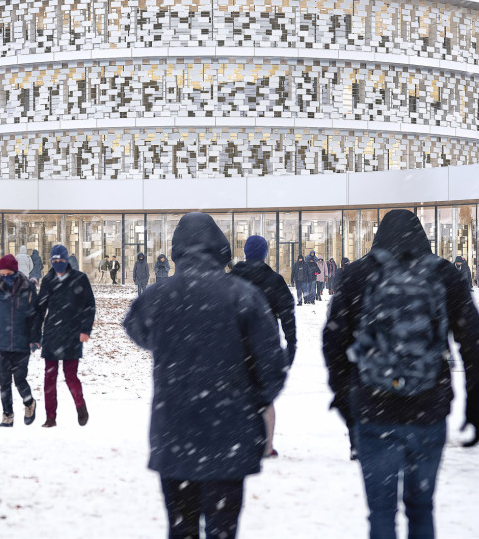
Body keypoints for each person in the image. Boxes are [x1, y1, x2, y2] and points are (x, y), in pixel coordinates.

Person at [323, 209, 479, 539]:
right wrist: (476, 407)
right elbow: (474, 343)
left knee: (381, 511)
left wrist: (346, 400)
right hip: (429, 409)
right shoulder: (444, 274)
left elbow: (333, 343)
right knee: (421, 507)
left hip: (374, 409)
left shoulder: (357, 275)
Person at [124, 212, 287, 539]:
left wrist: (171, 341)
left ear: (177, 250)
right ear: (221, 249)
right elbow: (272, 365)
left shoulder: (160, 296)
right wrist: (251, 402)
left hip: (175, 431)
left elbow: (136, 328)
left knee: (181, 529)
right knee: (223, 529)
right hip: (229, 433)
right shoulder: (243, 295)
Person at [230, 234, 297, 458]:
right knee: (264, 395)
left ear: (246, 252)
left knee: (236, 394)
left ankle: (238, 442)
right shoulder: (274, 280)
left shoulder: (232, 278)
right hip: (265, 344)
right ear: (264, 254)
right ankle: (267, 446)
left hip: (236, 343)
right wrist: (292, 343)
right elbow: (287, 313)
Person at [35, 244, 95, 427]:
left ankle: (80, 406)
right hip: (52, 334)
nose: (58, 263)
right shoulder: (48, 280)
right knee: (49, 378)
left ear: (66, 260)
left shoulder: (79, 279)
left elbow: (89, 306)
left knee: (70, 376)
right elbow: (40, 309)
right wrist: (35, 335)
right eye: (55, 260)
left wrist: (85, 330)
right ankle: (50, 417)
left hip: (72, 334)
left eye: (61, 260)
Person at [0, 253, 40, 427]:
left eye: (9, 274)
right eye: (3, 274)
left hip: (21, 342)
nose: (5, 277)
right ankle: (7, 415)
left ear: (15, 272)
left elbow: (35, 317)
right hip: (0, 342)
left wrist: (35, 339)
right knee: (4, 382)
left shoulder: (27, 288)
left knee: (20, 380)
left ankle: (29, 402)